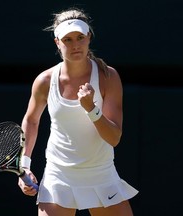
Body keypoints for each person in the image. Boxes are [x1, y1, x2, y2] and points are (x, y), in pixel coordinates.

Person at [18, 7, 138, 216]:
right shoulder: (45, 81)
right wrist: (24, 166)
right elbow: (32, 120)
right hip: (59, 176)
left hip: (101, 174)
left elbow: (114, 137)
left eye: (80, 37)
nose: (75, 45)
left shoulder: (108, 77)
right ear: (57, 43)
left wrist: (91, 108)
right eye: (68, 40)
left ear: (89, 37)